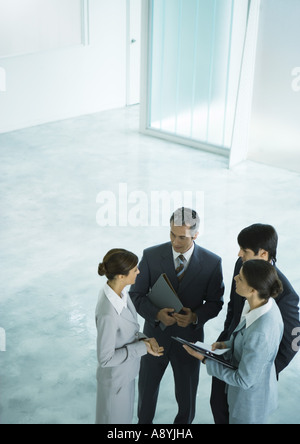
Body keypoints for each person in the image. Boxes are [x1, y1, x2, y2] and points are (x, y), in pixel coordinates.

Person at [129, 208, 224, 424]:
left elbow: (215, 303)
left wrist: (195, 317)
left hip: (188, 341)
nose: (175, 241)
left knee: (187, 399)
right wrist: (156, 314)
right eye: (172, 234)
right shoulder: (151, 255)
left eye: (182, 237)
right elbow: (135, 295)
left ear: (196, 235)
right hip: (154, 338)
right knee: (146, 393)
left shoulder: (212, 263)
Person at [210, 224, 300, 424]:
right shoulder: (241, 266)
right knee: (218, 408)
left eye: (245, 250)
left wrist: (263, 369)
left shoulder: (287, 296)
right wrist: (227, 338)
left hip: (249, 373)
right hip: (226, 353)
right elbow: (233, 308)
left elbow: (295, 340)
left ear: (263, 254)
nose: (239, 253)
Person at [184, 260, 284, 425]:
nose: (235, 278)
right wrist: (227, 345)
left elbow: (243, 380)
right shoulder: (263, 304)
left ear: (253, 290)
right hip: (254, 394)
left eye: (241, 278)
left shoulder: (261, 332)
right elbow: (247, 340)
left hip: (249, 405)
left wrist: (205, 359)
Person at [95, 248, 164, 425]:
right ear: (120, 276)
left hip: (125, 375)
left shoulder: (120, 294)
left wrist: (144, 339)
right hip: (115, 383)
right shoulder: (108, 313)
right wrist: (143, 348)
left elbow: (127, 332)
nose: (139, 272)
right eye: (135, 269)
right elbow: (105, 358)